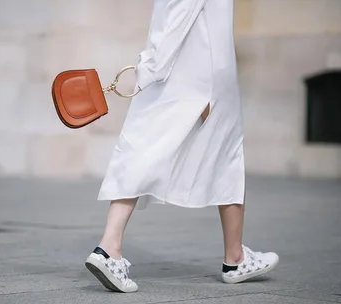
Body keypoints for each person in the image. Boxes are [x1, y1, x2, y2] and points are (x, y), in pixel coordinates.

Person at [85, 0, 279, 293]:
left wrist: (151, 65)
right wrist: (151, 66)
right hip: (197, 70)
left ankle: (234, 257)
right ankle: (233, 258)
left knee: (146, 144)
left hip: (185, 66)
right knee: (223, 152)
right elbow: (180, 10)